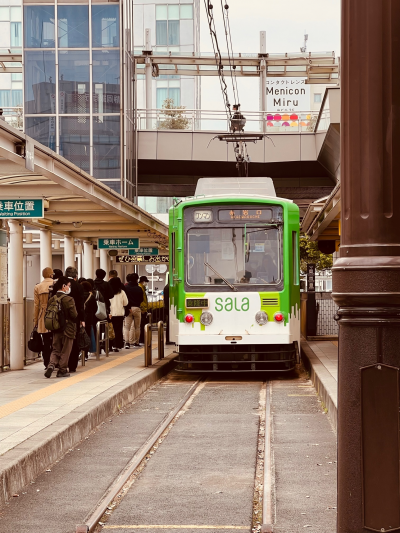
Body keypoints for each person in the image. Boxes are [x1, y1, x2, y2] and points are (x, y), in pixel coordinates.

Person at [44, 277, 78, 378]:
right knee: (66, 349)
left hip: (56, 328)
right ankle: (62, 370)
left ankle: (51, 365)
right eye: (68, 286)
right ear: (63, 287)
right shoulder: (69, 299)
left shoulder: (52, 299)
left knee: (56, 349)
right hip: (68, 328)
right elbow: (74, 315)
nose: (69, 288)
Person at [64, 266, 85, 372]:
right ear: (76, 275)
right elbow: (81, 304)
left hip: (61, 318)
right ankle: (72, 365)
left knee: (62, 341)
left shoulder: (59, 285)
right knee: (74, 340)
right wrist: (82, 319)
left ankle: (62, 364)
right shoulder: (78, 287)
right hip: (75, 318)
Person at [33, 267, 54, 368]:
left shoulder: (38, 287)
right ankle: (55, 361)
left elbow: (36, 305)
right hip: (55, 315)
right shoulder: (56, 284)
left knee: (46, 342)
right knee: (55, 340)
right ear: (51, 275)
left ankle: (47, 362)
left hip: (43, 315)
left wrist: (35, 320)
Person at [124, 273, 143, 348]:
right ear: (136, 279)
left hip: (128, 309)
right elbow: (141, 299)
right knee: (137, 326)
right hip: (137, 308)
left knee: (127, 327)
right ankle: (136, 342)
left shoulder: (126, 288)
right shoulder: (139, 288)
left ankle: (127, 343)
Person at [109, 277, 128, 352]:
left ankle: (109, 346)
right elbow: (126, 303)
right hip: (119, 313)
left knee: (110, 330)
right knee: (118, 330)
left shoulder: (109, 291)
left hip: (110, 313)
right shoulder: (122, 292)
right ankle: (116, 345)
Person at [81, 280, 97, 356]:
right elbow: (95, 308)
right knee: (87, 335)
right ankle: (85, 354)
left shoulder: (79, 296)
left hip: (80, 318)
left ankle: (79, 352)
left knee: (79, 335)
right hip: (89, 319)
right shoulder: (91, 296)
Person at [139, 275, 149, 344]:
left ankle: (142, 339)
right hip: (142, 310)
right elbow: (141, 299)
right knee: (142, 325)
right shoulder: (140, 288)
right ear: (143, 281)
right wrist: (143, 309)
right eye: (146, 282)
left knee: (142, 325)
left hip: (144, 309)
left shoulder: (142, 287)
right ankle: (141, 339)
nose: (146, 283)